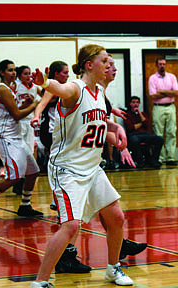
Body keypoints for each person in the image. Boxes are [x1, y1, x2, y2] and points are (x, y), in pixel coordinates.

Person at [30, 44, 134, 288]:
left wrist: (115, 128)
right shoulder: (76, 88)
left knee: (116, 218)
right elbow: (60, 88)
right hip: (67, 169)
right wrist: (46, 83)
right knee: (70, 226)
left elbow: (96, 123)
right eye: (105, 61)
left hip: (93, 167)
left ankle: (113, 268)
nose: (110, 65)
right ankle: (40, 282)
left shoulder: (99, 92)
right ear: (90, 65)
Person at [0, 59, 43, 222]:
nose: (13, 73)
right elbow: (17, 115)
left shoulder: (10, 90)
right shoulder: (2, 89)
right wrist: (35, 106)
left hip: (14, 136)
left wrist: (25, 104)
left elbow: (15, 110)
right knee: (14, 176)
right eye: (9, 70)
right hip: (5, 136)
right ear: (2, 72)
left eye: (14, 70)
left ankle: (25, 205)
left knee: (33, 171)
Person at [11, 65, 42, 195]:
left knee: (29, 152)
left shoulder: (35, 87)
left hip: (29, 122)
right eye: (25, 74)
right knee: (20, 153)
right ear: (19, 76)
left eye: (29, 73)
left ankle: (22, 183)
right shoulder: (15, 86)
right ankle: (17, 182)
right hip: (18, 121)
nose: (28, 76)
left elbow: (46, 96)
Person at [148, 57, 178, 165]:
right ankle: (160, 158)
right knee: (158, 133)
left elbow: (176, 93)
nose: (162, 66)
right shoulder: (152, 78)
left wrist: (161, 91)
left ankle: (170, 158)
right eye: (160, 64)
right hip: (158, 107)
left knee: (171, 132)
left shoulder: (172, 77)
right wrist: (168, 92)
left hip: (170, 107)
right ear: (156, 65)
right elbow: (153, 95)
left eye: (164, 64)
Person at [124, 96, 164, 168]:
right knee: (134, 140)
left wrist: (139, 113)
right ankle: (140, 161)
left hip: (145, 134)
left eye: (137, 102)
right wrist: (142, 123)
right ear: (130, 104)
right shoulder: (127, 115)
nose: (135, 104)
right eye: (133, 102)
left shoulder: (143, 114)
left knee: (160, 139)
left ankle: (153, 160)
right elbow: (131, 128)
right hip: (134, 135)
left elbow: (147, 124)